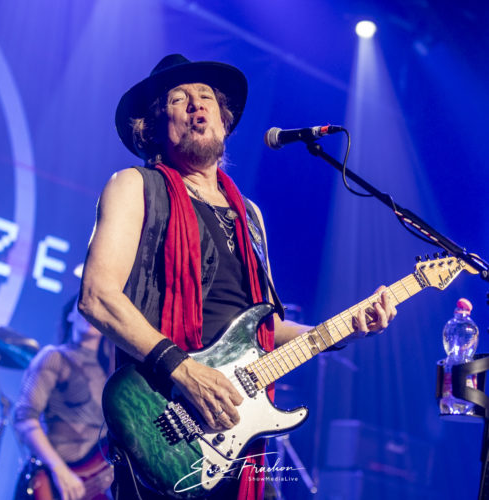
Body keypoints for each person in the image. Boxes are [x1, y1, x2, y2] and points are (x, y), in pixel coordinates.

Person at [78, 54, 397, 500]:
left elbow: (266, 328)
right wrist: (185, 371)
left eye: (205, 97)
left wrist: (347, 329)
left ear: (224, 122)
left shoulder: (250, 216)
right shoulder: (134, 186)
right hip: (163, 416)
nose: (196, 105)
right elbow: (97, 295)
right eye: (179, 99)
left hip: (234, 430)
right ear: (154, 126)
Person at [13, 297, 114, 500]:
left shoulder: (113, 371)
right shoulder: (55, 357)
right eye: (85, 303)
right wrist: (60, 471)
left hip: (95, 486)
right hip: (53, 482)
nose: (90, 312)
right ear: (70, 315)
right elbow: (24, 418)